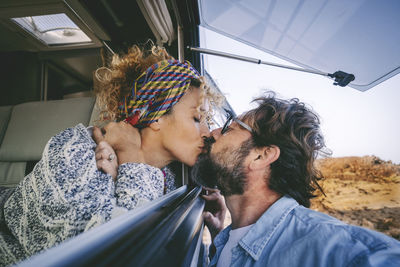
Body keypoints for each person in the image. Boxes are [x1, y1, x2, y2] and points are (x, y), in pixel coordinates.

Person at [0, 44, 220, 266]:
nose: (207, 133)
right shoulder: (75, 151)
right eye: (196, 118)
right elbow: (103, 255)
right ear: (155, 115)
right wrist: (134, 161)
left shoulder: (169, 178)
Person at [191, 92, 400, 267]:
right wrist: (219, 234)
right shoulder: (228, 240)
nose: (214, 132)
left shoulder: (335, 249)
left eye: (229, 128)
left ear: (261, 156)